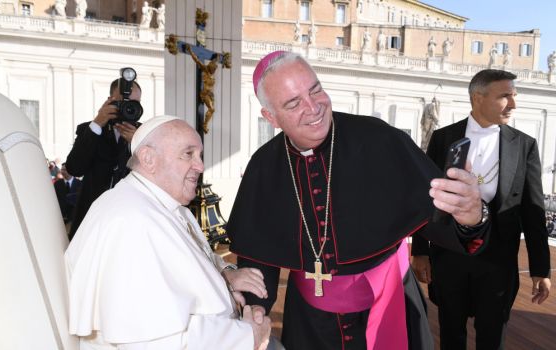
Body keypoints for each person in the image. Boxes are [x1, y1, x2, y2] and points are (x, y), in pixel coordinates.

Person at [227, 51, 491, 350]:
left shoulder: (380, 140)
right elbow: (258, 258)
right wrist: (255, 307)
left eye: (315, 90)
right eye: (293, 102)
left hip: (392, 303)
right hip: (311, 325)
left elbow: (441, 222)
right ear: (271, 117)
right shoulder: (264, 166)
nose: (313, 107)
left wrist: (472, 218)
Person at [65, 115, 272, 350]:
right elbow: (159, 341)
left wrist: (224, 283)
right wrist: (247, 335)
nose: (201, 166)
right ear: (148, 158)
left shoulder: (163, 205)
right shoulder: (131, 222)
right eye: (188, 154)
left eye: (200, 155)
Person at [412, 69, 551, 350]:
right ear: (478, 97)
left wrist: (540, 269)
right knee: (451, 334)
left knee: (492, 337)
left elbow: (533, 211)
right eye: (505, 96)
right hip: (450, 256)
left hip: (498, 261)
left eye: (514, 96)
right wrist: (421, 251)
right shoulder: (443, 138)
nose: (513, 104)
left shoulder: (525, 145)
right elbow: (428, 197)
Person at [65, 78, 141, 240]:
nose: (128, 108)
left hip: (129, 221)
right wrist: (98, 123)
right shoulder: (90, 129)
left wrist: (138, 144)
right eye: (123, 102)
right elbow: (74, 168)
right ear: (110, 101)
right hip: (91, 221)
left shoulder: (145, 134)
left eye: (134, 103)